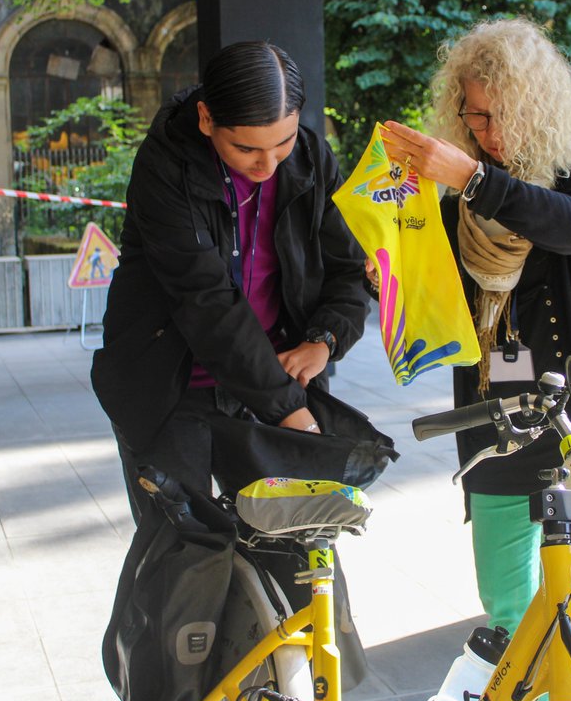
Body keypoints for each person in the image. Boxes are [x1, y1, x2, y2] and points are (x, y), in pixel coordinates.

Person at [382, 18, 571, 638]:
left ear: (541, 106)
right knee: (509, 611)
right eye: (476, 117)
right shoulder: (460, 203)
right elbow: (434, 305)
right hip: (497, 423)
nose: (490, 134)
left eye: (503, 115)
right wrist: (389, 277)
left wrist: (474, 180)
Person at [93, 40, 369, 520]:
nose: (268, 164)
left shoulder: (310, 157)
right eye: (246, 148)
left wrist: (325, 339)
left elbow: (346, 264)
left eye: (282, 142)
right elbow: (206, 301)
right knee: (187, 548)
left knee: (299, 543)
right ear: (206, 119)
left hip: (278, 372)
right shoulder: (166, 165)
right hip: (169, 387)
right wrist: (289, 410)